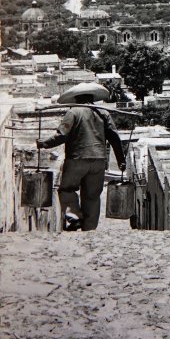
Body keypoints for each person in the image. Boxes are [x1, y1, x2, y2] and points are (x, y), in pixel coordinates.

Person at [37, 83, 126, 232]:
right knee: (92, 195)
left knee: (67, 189)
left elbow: (62, 135)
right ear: (92, 98)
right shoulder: (103, 113)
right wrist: (121, 160)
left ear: (76, 99)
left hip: (76, 159)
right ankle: (89, 229)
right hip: (98, 160)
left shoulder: (73, 112)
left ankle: (74, 217)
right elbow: (114, 137)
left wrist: (44, 143)